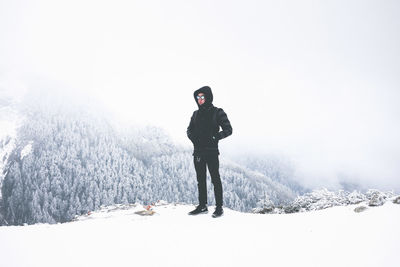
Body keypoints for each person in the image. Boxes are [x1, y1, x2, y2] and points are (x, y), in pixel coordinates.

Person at [186, 86, 232, 218]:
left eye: (202, 97)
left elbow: (228, 129)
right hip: (198, 152)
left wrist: (215, 137)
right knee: (200, 180)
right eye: (198, 97)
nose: (200, 100)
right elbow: (189, 130)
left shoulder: (218, 112)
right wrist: (193, 138)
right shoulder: (195, 114)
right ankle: (202, 206)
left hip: (212, 152)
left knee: (215, 179)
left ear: (208, 97)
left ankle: (219, 208)